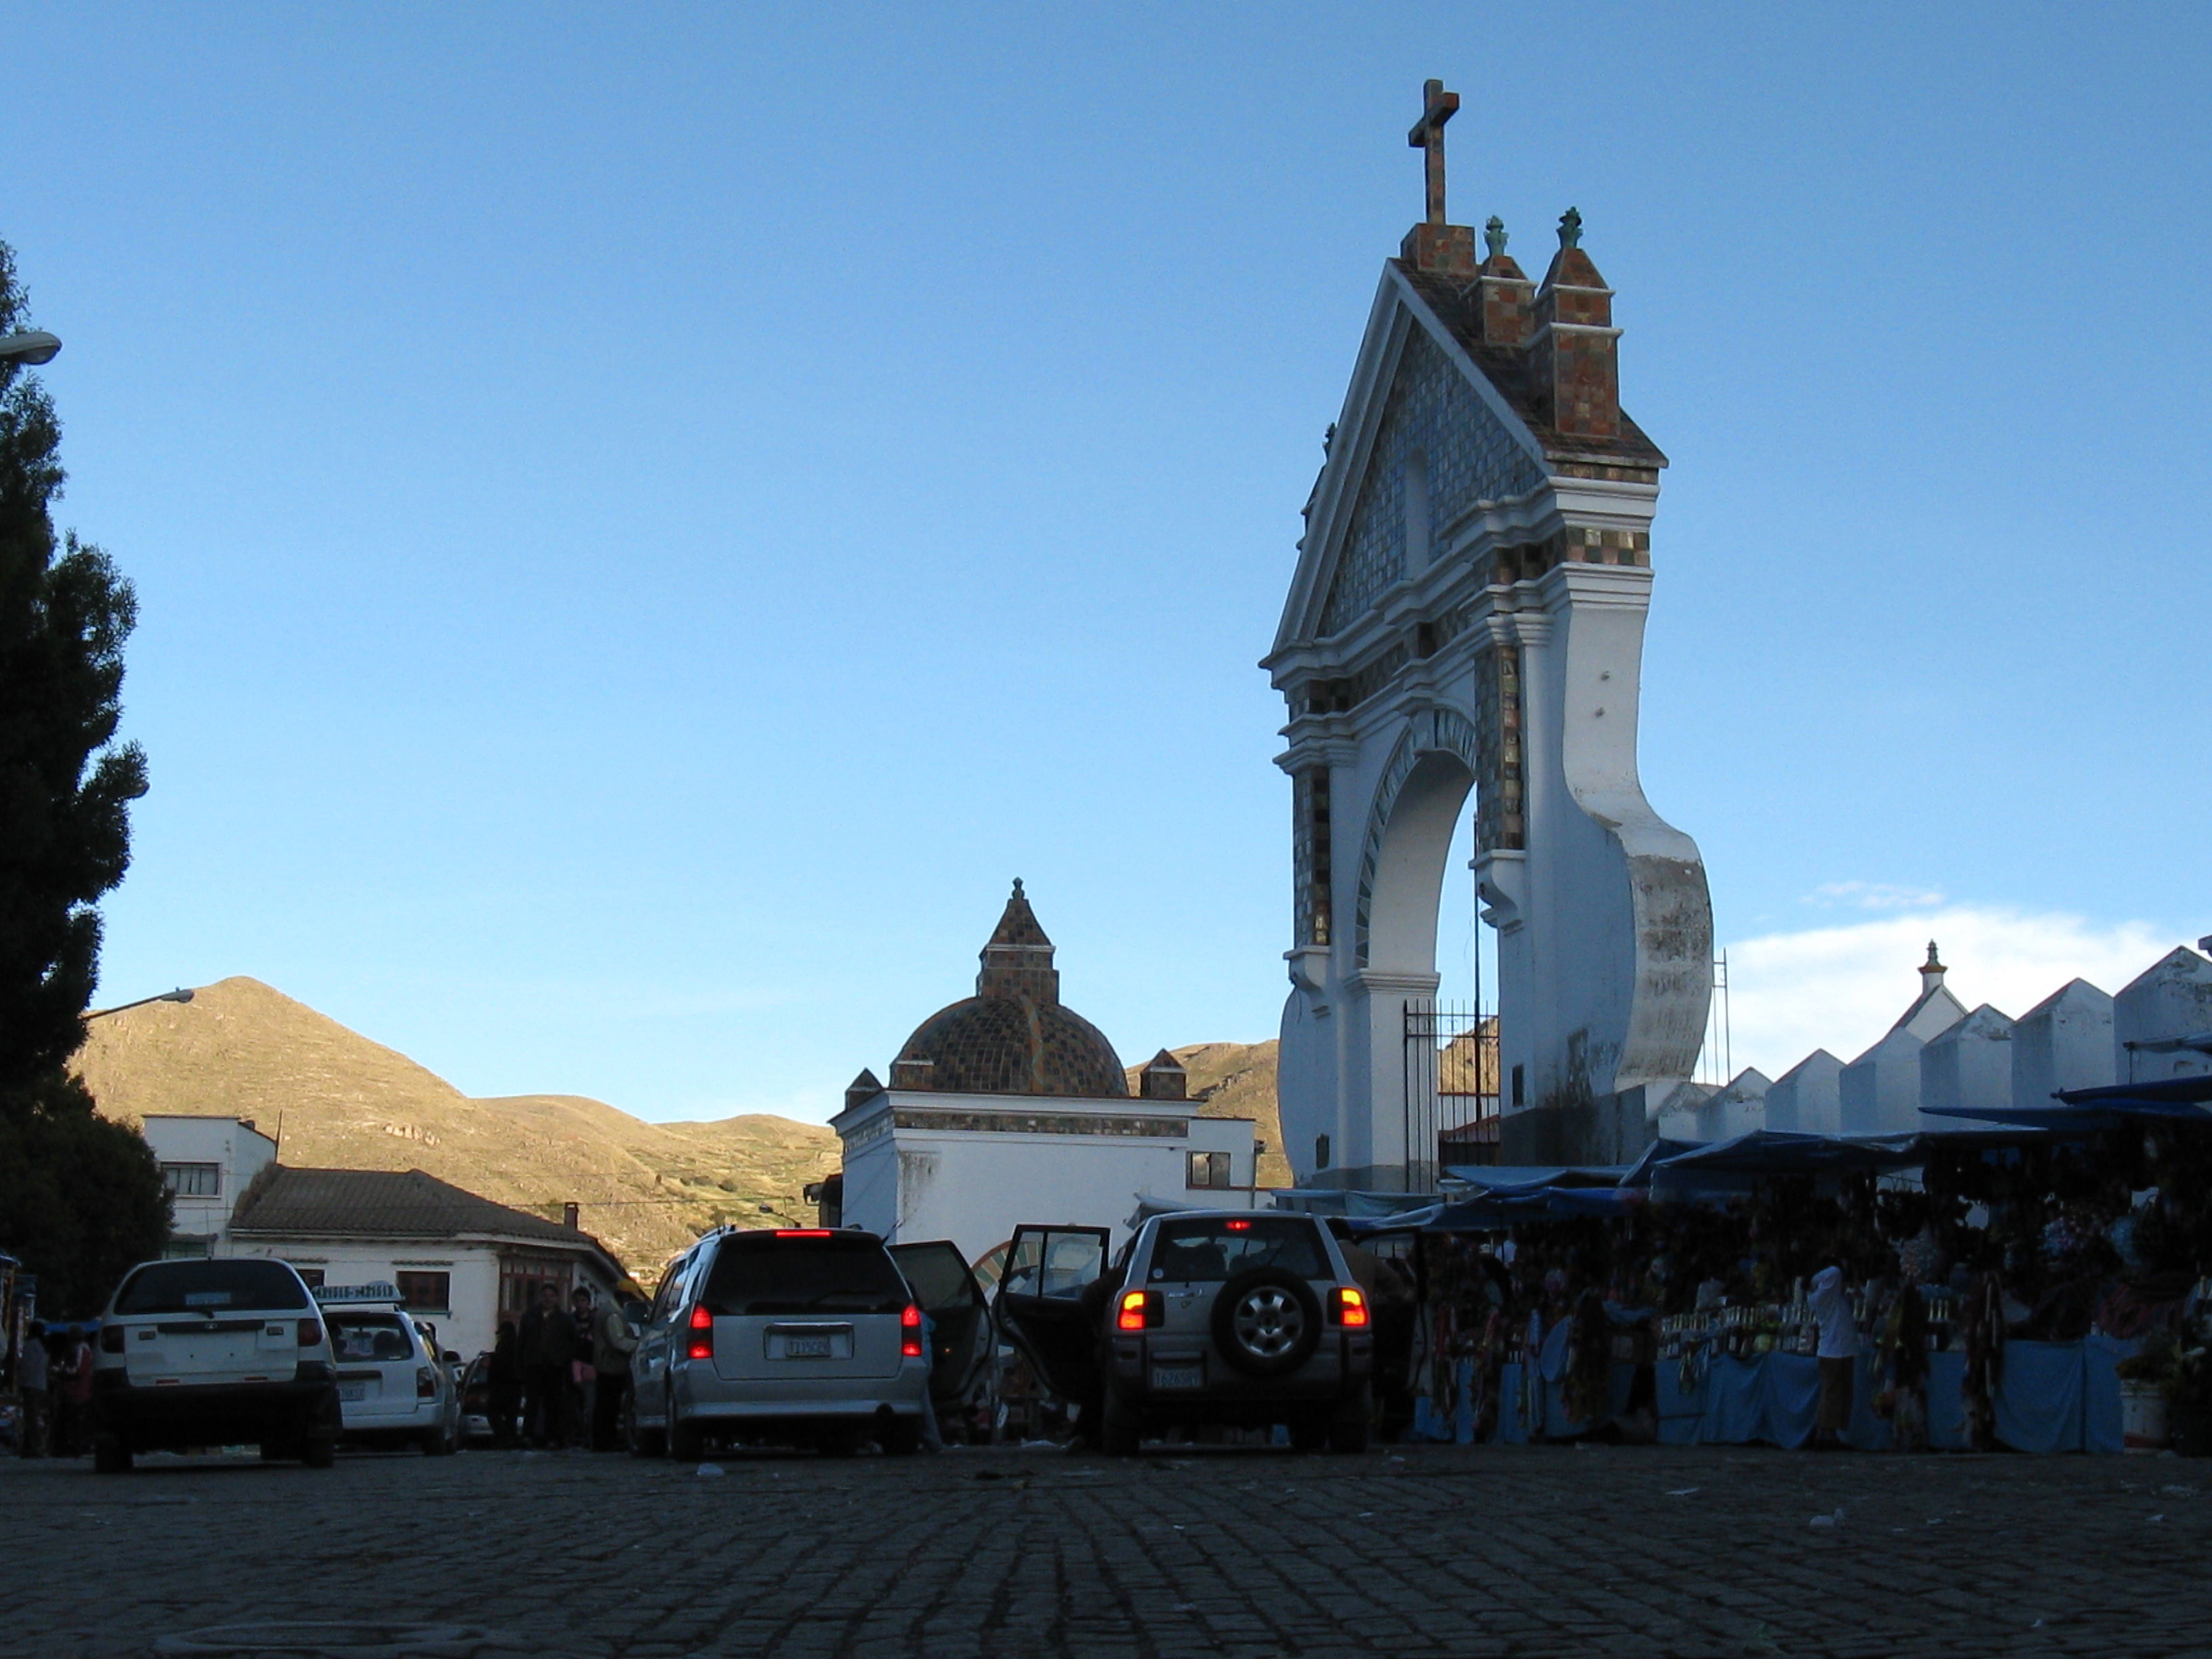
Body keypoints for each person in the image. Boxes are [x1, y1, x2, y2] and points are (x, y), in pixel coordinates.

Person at [518, 1282, 577, 1448]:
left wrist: (563, 1359)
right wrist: (522, 1364)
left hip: (555, 1367)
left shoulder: (565, 1320)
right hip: (533, 1366)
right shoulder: (529, 1317)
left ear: (557, 1299)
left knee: (554, 1404)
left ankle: (554, 1438)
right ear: (540, 1298)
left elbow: (573, 1343)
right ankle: (529, 1436)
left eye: (552, 1296)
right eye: (545, 1296)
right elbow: (521, 1343)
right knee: (532, 1404)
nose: (548, 1300)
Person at [1809, 1263, 1857, 1450]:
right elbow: (1834, 1272)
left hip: (1836, 1349)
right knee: (1834, 1394)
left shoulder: (1823, 1298)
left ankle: (1829, 1431)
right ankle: (1826, 1433)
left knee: (1835, 1394)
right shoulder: (1826, 1296)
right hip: (1836, 1351)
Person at [590, 1295, 638, 1452]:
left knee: (604, 1405)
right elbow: (618, 1342)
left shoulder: (607, 1310)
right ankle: (605, 1441)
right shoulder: (613, 1315)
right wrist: (639, 1344)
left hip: (606, 1364)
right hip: (612, 1365)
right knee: (609, 1406)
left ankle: (602, 1440)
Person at [56, 1326, 94, 1457]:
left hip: (78, 1391)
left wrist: (62, 1372)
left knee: (76, 1420)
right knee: (76, 1420)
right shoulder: (83, 1350)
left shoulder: (81, 1350)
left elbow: (77, 1369)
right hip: (78, 1390)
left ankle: (77, 1446)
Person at [568, 1286, 598, 1448]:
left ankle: (589, 1435)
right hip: (574, 1363)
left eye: (583, 1301)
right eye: (577, 1301)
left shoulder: (596, 1321)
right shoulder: (569, 1321)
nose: (580, 1305)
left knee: (591, 1405)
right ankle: (577, 1434)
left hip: (591, 1365)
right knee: (575, 1405)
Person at [15, 1320, 49, 1458]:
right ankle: (31, 1447)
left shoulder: (31, 1345)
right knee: (36, 1417)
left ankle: (36, 1447)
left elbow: (27, 1367)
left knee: (31, 1418)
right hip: (41, 1385)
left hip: (31, 1385)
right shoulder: (44, 1347)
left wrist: (21, 1383)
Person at [487, 1321, 523, 1448]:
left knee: (493, 1412)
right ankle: (511, 1438)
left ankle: (504, 1437)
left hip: (501, 1385)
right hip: (516, 1385)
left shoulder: (502, 1347)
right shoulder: (519, 1346)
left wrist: (490, 1383)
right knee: (511, 1416)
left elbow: (496, 1368)